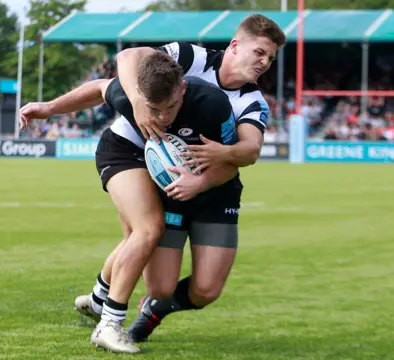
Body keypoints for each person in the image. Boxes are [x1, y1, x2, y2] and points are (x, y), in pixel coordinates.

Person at [71, 14, 287, 342]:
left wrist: (222, 156)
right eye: (259, 52)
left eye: (270, 58)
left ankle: (151, 309)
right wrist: (140, 105)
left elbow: (250, 150)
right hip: (170, 180)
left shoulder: (251, 100)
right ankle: (109, 305)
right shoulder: (191, 58)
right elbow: (128, 59)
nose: (264, 62)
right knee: (154, 271)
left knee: (206, 289)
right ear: (235, 45)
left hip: (215, 185)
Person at [20, 51, 244, 353]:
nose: (163, 117)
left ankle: (100, 297)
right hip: (121, 152)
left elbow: (234, 159)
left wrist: (202, 181)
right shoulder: (131, 98)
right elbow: (101, 87)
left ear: (183, 89)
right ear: (141, 97)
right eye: (155, 109)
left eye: (171, 107)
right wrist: (49, 108)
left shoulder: (213, 104)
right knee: (148, 229)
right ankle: (110, 325)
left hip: (165, 164)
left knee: (139, 243)